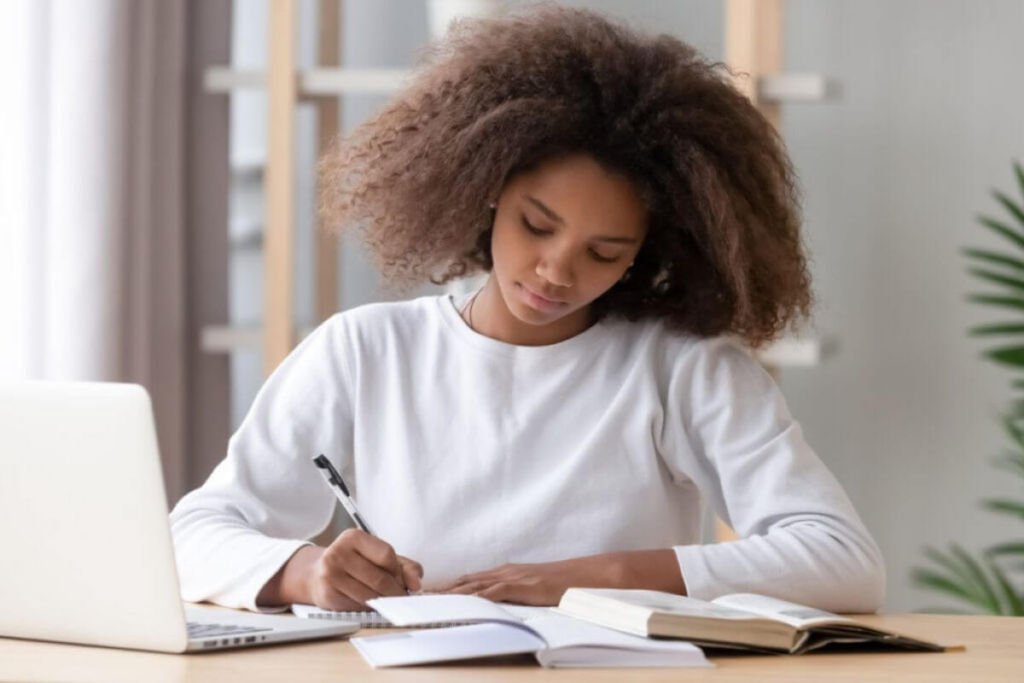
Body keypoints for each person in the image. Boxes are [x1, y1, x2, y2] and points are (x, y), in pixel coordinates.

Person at [169, 7, 885, 615]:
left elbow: (844, 559)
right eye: (535, 225)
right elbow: (191, 533)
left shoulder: (682, 367)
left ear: (649, 250)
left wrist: (598, 577)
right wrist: (309, 572)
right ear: (485, 188)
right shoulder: (366, 350)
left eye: (604, 252)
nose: (556, 271)